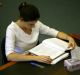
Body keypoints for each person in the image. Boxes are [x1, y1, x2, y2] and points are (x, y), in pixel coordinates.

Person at [5, 2, 76, 64]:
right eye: (31, 24)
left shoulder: (36, 24)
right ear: (21, 19)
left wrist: (69, 38)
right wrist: (36, 58)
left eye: (35, 23)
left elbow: (55, 33)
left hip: (36, 55)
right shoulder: (12, 29)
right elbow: (10, 56)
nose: (34, 26)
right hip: (21, 60)